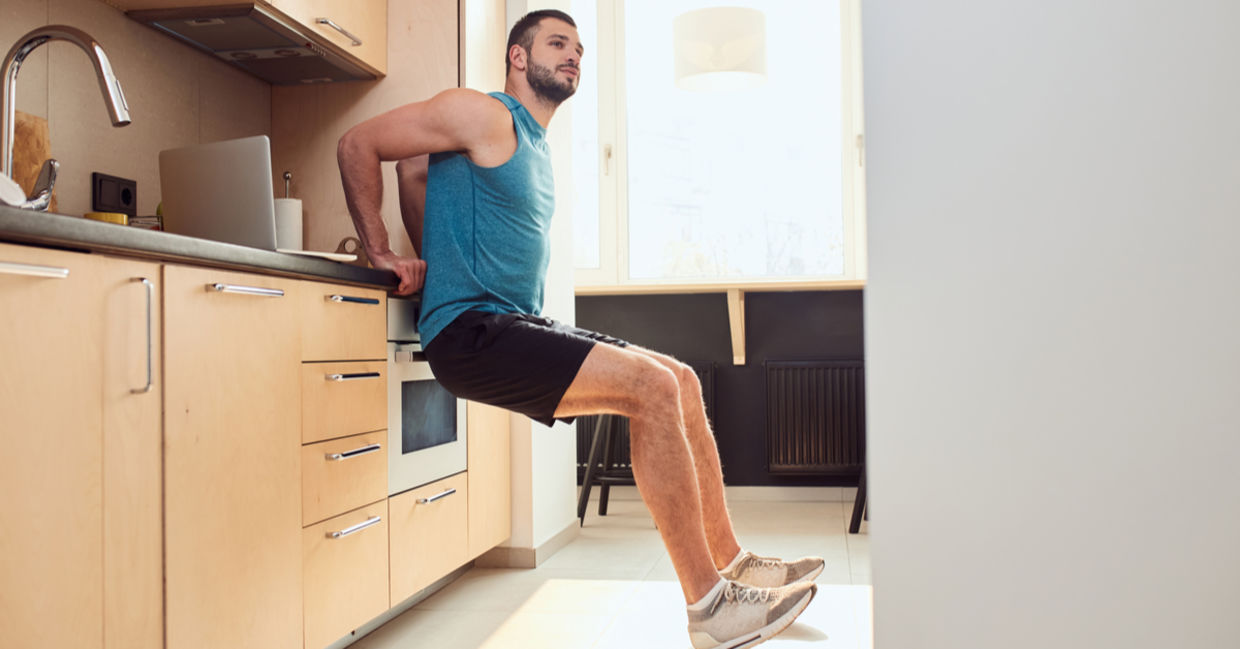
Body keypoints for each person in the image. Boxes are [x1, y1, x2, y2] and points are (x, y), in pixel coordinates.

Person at [337, 10, 821, 649]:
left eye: (580, 49)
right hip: (474, 331)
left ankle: (732, 563)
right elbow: (360, 143)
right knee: (650, 387)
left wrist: (433, 253)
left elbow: (414, 172)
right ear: (517, 56)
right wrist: (381, 253)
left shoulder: (534, 142)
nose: (573, 57)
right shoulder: (483, 113)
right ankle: (709, 607)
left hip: (512, 322)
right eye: (558, 44)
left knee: (678, 380)